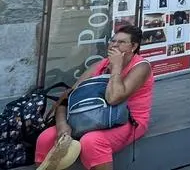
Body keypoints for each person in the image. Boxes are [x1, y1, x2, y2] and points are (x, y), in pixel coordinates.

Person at [35, 26, 153, 170]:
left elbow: (114, 98)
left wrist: (116, 67)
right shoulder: (100, 65)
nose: (114, 45)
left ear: (134, 46)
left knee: (91, 141)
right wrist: (62, 126)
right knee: (45, 138)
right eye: (112, 41)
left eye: (121, 42)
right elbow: (68, 96)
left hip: (129, 121)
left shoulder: (141, 67)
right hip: (91, 118)